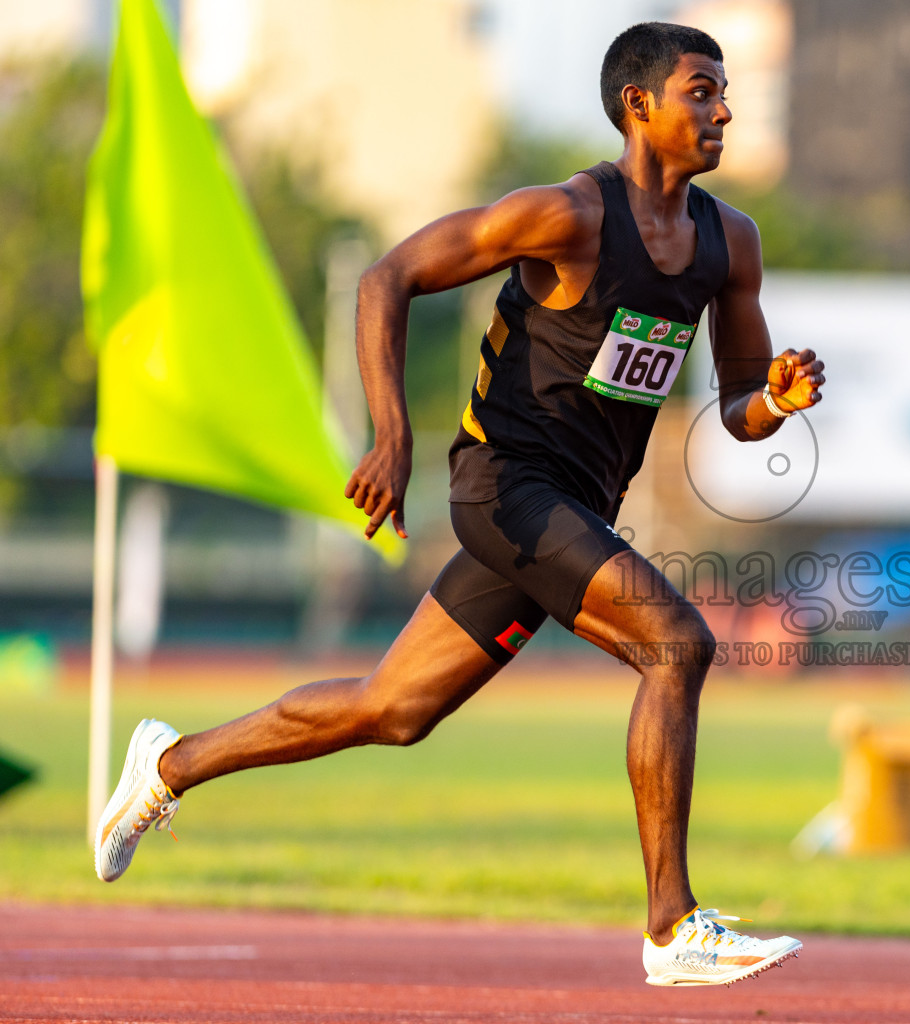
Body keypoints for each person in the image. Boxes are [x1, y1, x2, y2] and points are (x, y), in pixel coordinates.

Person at [93, 22, 824, 988]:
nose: (724, 109)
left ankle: (170, 766)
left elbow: (737, 410)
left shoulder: (730, 243)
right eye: (701, 91)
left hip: (575, 509)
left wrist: (774, 396)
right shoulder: (564, 216)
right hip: (503, 488)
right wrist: (392, 435)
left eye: (724, 91)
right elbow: (385, 277)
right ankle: (671, 927)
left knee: (392, 710)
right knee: (676, 643)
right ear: (637, 106)